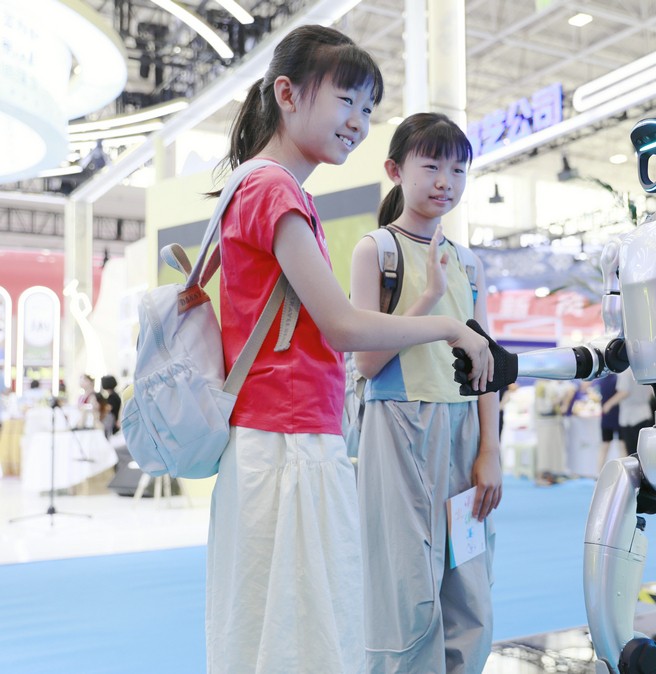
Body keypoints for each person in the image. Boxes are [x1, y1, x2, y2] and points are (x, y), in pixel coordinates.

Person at [204, 31, 492, 674]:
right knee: (301, 636)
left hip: (295, 438)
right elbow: (342, 328)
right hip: (286, 442)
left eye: (367, 108)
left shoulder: (275, 190)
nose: (358, 122)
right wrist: (449, 326)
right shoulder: (274, 190)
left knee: (295, 629)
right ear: (287, 94)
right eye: (345, 101)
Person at [349, 112, 501, 673]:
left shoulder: (469, 262)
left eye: (458, 169)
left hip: (464, 432)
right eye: (432, 165)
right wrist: (430, 297)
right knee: (405, 588)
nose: (445, 181)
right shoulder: (377, 250)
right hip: (398, 429)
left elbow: (487, 363)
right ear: (396, 170)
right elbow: (366, 361)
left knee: (470, 584)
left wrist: (490, 450)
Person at [603, 368, 653, 456]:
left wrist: (608, 404)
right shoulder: (645, 370)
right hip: (645, 413)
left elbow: (624, 392)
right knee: (645, 452)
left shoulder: (626, 372)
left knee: (633, 454)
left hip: (631, 418)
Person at [596, 373, 621, 471]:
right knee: (621, 446)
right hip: (616, 416)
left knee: (605, 447)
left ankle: (599, 473)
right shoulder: (616, 379)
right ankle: (623, 472)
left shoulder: (602, 380)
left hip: (609, 417)